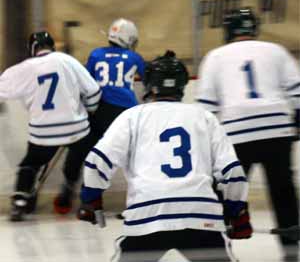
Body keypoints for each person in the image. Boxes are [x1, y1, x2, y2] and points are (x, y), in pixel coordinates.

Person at [77, 51, 252, 262]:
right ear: (183, 85)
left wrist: (91, 199)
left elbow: (98, 162)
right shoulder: (204, 117)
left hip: (147, 215)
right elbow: (232, 171)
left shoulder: (132, 116)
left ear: (149, 84)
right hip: (200, 215)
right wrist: (237, 210)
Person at [195, 7, 300, 261]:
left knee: (227, 192)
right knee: (283, 192)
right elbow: (297, 92)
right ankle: (291, 251)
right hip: (277, 129)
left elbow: (206, 107)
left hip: (237, 131)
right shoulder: (276, 51)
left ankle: (215, 250)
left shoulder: (215, 56)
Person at [0, 31, 101, 221]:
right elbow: (93, 91)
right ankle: (71, 189)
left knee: (30, 164)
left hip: (43, 132)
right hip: (76, 128)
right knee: (80, 155)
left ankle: (20, 201)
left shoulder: (25, 68)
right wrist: (90, 109)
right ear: (52, 46)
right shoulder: (67, 60)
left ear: (32, 49)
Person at [85, 18, 145, 145]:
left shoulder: (96, 54)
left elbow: (86, 82)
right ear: (127, 39)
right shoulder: (134, 57)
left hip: (99, 111)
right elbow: (149, 80)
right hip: (126, 111)